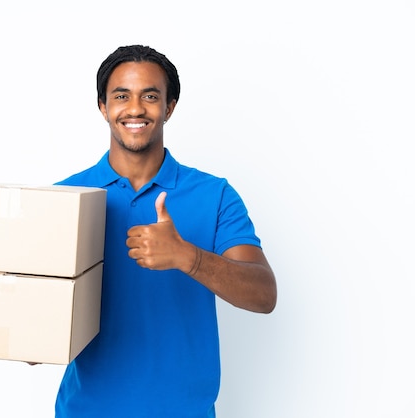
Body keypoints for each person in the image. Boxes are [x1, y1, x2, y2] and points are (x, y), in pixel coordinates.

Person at [53, 44, 277, 418]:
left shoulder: (215, 195)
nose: (136, 108)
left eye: (150, 96)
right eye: (121, 96)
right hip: (86, 411)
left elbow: (263, 295)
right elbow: (39, 298)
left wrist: (188, 257)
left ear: (169, 107)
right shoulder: (66, 198)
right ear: (103, 106)